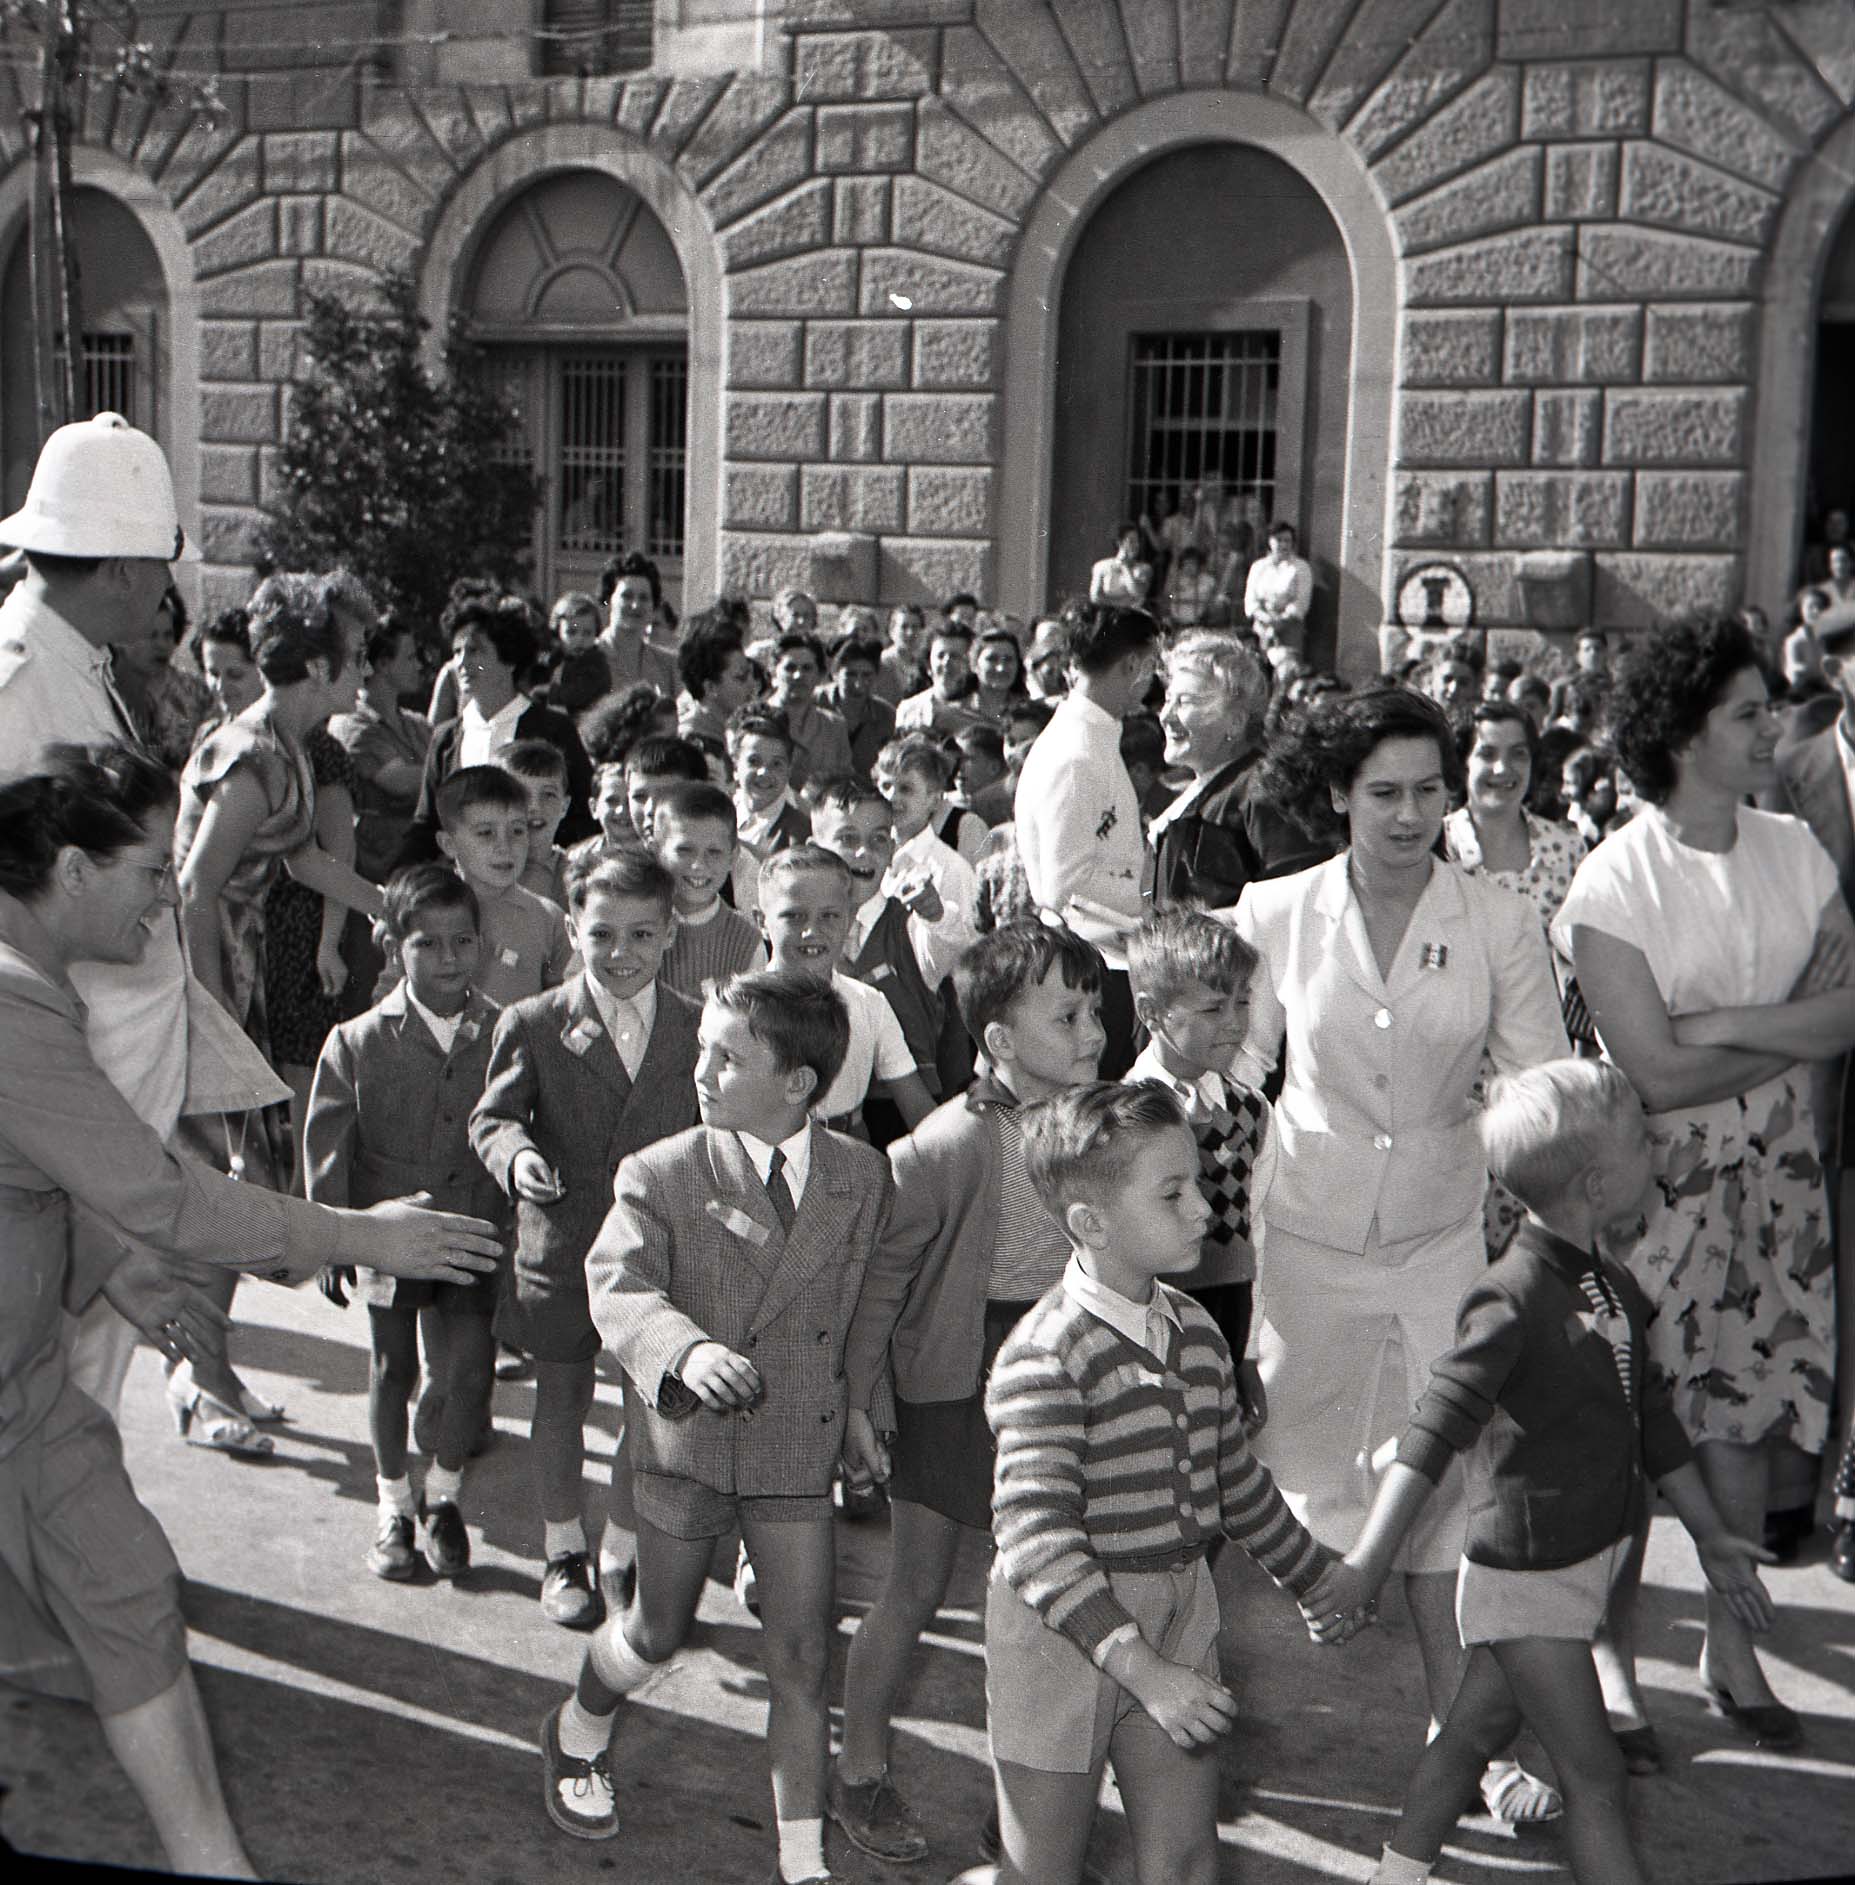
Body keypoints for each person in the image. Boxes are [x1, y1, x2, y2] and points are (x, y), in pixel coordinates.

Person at [0, 743, 500, 1879]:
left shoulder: (30, 984)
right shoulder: (11, 1005)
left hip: (23, 1396)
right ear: (72, 871)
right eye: (150, 870)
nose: (167, 897)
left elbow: (41, 1164)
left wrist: (111, 1268)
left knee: (126, 1587)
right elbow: (165, 1196)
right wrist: (361, 1233)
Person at [1232, 684, 1571, 1823]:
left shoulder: (1498, 919)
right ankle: (1183, 1718)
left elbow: (1536, 1083)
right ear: (1337, 794)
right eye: (1384, 792)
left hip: (1440, 1241)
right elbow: (1228, 1071)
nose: (1412, 814)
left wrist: (1564, 1205)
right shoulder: (1274, 909)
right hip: (1301, 1241)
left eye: (1430, 789)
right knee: (1248, 1476)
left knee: (1454, 1493)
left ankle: (1464, 1740)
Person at [1334, 1061, 1776, 1885]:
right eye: (1641, 1139)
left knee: (1469, 1737)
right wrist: (1367, 1559)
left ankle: (1392, 1876)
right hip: (1527, 1580)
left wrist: (1712, 1535)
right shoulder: (1511, 1295)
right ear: (1596, 1182)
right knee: (1595, 1775)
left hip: (1577, 1567)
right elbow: (1433, 1429)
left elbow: (1650, 1421)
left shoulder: (1612, 1286)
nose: (1655, 1149)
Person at [1554, 614, 1855, 1746]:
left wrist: (1724, 1022)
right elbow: (1654, 1073)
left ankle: (1731, 1648)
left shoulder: (1795, 851)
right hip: (1652, 1189)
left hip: (1776, 1178)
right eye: (1747, 712)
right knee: (1635, 1431)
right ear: (1685, 735)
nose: (1771, 727)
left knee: (1746, 1413)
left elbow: (1847, 1014)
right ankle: (1612, 1658)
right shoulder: (1614, 881)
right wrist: (1786, 1031)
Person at [542, 970, 894, 1885]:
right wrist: (686, 1351)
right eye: (702, 1049)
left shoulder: (861, 1176)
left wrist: (861, 1408)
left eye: (726, 1057)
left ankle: (802, 1862)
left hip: (794, 1450)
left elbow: (863, 1308)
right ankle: (577, 1725)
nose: (700, 1071)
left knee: (803, 1656)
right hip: (686, 1448)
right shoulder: (661, 1171)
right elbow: (617, 1286)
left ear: (799, 1084)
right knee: (657, 1631)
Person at [979, 1082, 1365, 1885]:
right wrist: (1140, 1668)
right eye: (1172, 1192)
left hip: (1179, 1608)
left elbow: (1231, 1477)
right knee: (1040, 1869)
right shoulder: (1045, 1355)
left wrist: (1313, 1575)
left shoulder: (1193, 1330)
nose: (1202, 1208)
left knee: (1186, 1859)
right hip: (1061, 1632)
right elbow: (1034, 1537)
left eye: (1198, 1182)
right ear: (1091, 1222)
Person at [0, 415, 289, 1425]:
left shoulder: (69, 665)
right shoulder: (21, 683)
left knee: (82, 1384)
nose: (166, 588)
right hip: (60, 1105)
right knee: (52, 1391)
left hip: (102, 1093)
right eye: (160, 563)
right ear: (122, 567)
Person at [832, 923, 1106, 1864]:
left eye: (1094, 1010)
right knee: (914, 1587)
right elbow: (880, 1283)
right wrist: (861, 1401)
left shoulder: (1097, 1129)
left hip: (1057, 1380)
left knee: (1046, 1605)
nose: (1092, 1030)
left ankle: (1027, 1813)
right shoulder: (946, 1144)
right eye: (1066, 1015)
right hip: (954, 1386)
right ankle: (858, 1768)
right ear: (997, 1040)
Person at [172, 573, 391, 1450]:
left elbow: (303, 861)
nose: (365, 669)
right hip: (212, 985)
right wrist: (213, 1017)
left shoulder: (290, 745)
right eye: (356, 656)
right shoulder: (254, 754)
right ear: (319, 667)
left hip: (242, 981)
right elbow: (194, 889)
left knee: (242, 1186)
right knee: (229, 1189)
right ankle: (201, 1377)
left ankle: (205, 1368)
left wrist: (395, 908)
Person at [471, 851, 702, 1624]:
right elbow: (494, 1118)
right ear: (572, 929)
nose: (621, 952)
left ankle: (621, 1552)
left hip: (655, 1258)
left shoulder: (696, 1026)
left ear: (669, 933)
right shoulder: (534, 1022)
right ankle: (562, 1547)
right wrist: (517, 1157)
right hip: (563, 1247)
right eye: (601, 933)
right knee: (560, 1399)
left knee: (651, 1412)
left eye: (641, 933)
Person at [306, 864, 507, 1581]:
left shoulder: (505, 1033)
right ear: (393, 946)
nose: (449, 958)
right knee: (394, 1367)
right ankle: (392, 1503)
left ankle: (444, 1494)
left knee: (472, 1371)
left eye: (463, 941)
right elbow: (329, 1147)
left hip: (476, 1227)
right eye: (427, 943)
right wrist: (333, 1238)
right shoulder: (356, 1040)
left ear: (481, 943)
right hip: (388, 1231)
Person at [1444, 701, 1589, 1255]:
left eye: (1518, 754)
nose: (1503, 769)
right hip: (1455, 1073)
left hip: (1539, 1066)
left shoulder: (1566, 847)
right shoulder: (1438, 846)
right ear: (1463, 761)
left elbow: (1584, 959)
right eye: (1487, 753)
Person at [1773, 607, 1855, 1580]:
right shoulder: (1786, 771)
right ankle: (1790, 1485)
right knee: (1802, 1260)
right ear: (1835, 669)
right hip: (1804, 1058)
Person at [1124, 910, 1271, 1414]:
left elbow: (1257, 1229)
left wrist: (1249, 1355)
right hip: (1152, 1330)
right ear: (1152, 1013)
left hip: (1230, 1324)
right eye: (1213, 1008)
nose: (1234, 1022)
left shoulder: (1252, 1111)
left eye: (1243, 1002)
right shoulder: (1125, 1115)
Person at [1013, 604, 1161, 1078]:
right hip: (1088, 970)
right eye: (1151, 664)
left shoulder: (1093, 737)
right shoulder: (1076, 753)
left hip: (1104, 960)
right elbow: (1065, 884)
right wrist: (1154, 898)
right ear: (1133, 665)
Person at [813, 777, 972, 1127]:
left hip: (902, 1111)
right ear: (816, 846)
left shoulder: (911, 926)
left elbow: (952, 944)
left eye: (878, 840)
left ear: (893, 848)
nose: (863, 852)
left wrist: (935, 913)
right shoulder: (806, 932)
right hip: (829, 1108)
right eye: (847, 839)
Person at [400, 592, 595, 864]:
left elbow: (582, 817)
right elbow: (426, 825)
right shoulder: (445, 738)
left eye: (474, 650)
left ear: (509, 659)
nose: (462, 663)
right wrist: (396, 876)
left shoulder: (554, 730)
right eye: (457, 652)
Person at [755, 844, 932, 1137]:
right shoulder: (742, 1009)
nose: (812, 931)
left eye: (829, 916)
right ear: (761, 921)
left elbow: (918, 1109)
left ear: (849, 919)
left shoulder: (869, 1003)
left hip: (850, 1147)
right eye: (794, 916)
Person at [1150, 631, 1323, 910]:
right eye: (1168, 699)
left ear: (1235, 721)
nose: (1165, 716)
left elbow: (1297, 900)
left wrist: (1202, 925)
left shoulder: (1264, 788)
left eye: (1185, 702)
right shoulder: (1208, 785)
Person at [432, 765, 572, 1008]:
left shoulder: (547, 919)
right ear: (448, 844)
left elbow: (568, 1003)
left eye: (517, 831)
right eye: (486, 833)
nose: (505, 846)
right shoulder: (424, 913)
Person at [650, 779, 766, 997]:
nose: (698, 865)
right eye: (685, 850)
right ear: (657, 850)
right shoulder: (637, 926)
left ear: (733, 856)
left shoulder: (746, 941)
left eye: (714, 852)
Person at [729, 705, 812, 916]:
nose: (764, 772)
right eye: (754, 761)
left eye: (776, 764)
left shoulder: (799, 833)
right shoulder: (723, 811)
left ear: (789, 770)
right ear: (735, 766)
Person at [767, 633, 855, 788]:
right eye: (790, 668)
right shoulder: (756, 721)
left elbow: (844, 783)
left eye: (807, 668)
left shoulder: (834, 726)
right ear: (774, 672)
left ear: (820, 675)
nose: (798, 675)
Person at [676, 616, 760, 770]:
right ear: (710, 687)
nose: (752, 684)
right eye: (741, 677)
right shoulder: (693, 744)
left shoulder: (725, 730)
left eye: (750, 673)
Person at [596, 550, 679, 700]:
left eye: (644, 598)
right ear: (608, 600)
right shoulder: (590, 655)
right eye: (627, 596)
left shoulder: (669, 665)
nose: (635, 605)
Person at [507, 737, 575, 907]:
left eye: (548, 795)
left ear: (564, 806)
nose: (534, 806)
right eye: (521, 794)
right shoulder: (479, 874)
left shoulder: (576, 878)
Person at [821, 631, 896, 784]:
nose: (858, 684)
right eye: (850, 674)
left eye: (866, 675)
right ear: (835, 673)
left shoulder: (885, 715)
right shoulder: (815, 703)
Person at [1243, 521, 1314, 668]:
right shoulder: (1258, 567)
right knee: (1258, 668)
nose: (1283, 545)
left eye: (1287, 540)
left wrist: (1279, 622)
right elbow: (1250, 600)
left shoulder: (1301, 567)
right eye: (1279, 540)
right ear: (1269, 541)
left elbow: (1301, 602)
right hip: (1262, 626)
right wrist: (1266, 619)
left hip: (1289, 627)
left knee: (1286, 670)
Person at [874, 603, 929, 707]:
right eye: (904, 627)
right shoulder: (883, 663)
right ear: (892, 631)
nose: (910, 633)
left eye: (915, 627)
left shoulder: (923, 665)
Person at [1088, 521, 1152, 608]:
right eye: (1131, 541)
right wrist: (1123, 603)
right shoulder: (1101, 566)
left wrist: (1125, 567)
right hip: (1106, 613)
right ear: (1119, 543)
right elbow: (1095, 597)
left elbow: (1138, 593)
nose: (1137, 545)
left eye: (1137, 541)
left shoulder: (1144, 568)